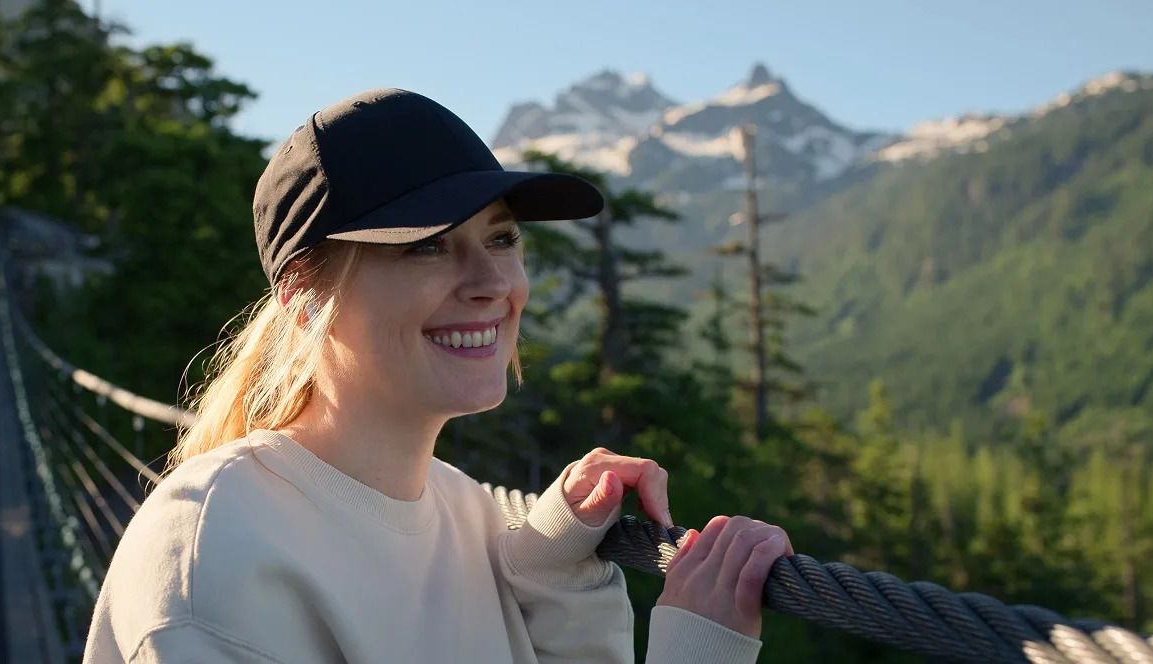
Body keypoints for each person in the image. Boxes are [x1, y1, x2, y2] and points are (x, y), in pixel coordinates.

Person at [82, 88, 793, 664]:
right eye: (427, 246)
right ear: (303, 295)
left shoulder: (470, 515)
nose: (490, 283)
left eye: (501, 238)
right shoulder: (215, 564)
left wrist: (553, 569)